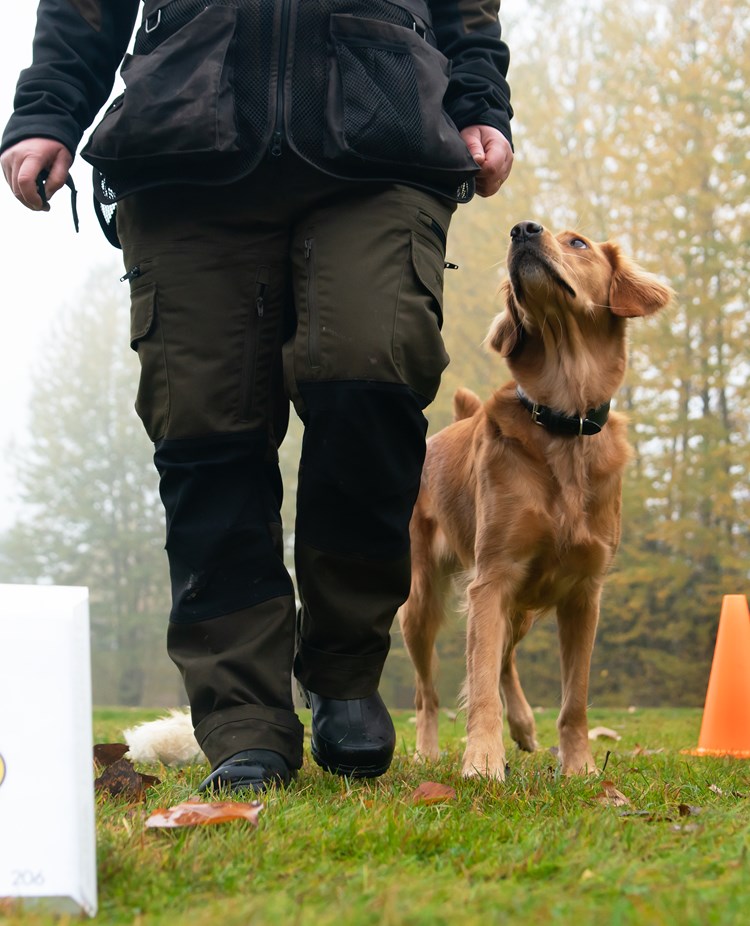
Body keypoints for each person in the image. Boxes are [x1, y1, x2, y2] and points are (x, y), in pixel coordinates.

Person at [1, 0, 513, 792]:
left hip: (379, 133)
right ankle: (245, 720)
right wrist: (48, 108)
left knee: (370, 374)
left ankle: (343, 669)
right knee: (206, 426)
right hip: (186, 139)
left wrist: (480, 102)